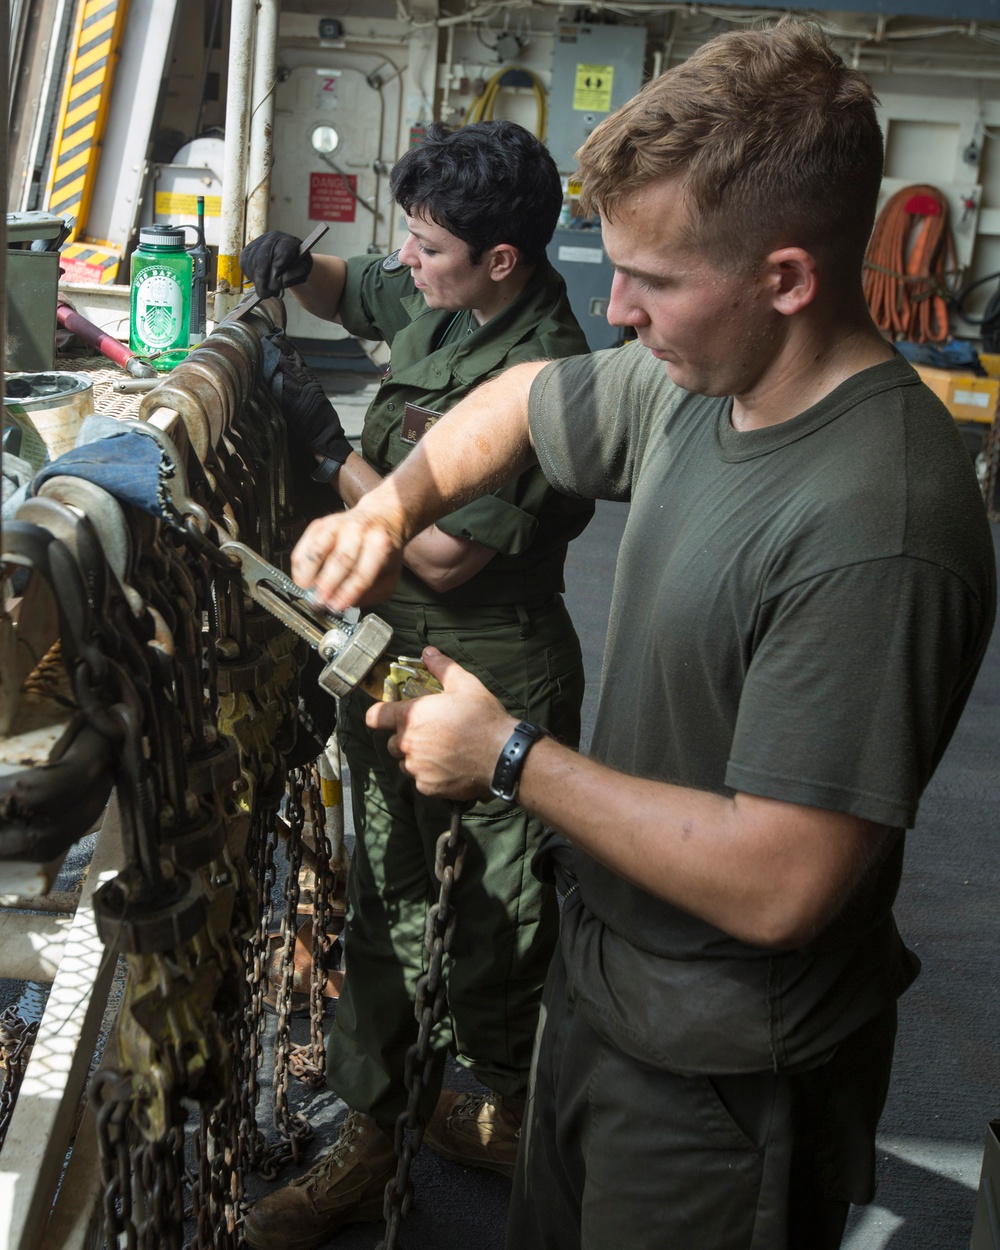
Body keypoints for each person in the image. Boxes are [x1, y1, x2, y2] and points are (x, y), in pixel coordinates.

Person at [289, 21, 997, 1250]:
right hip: (607, 992)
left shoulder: (877, 519)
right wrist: (394, 504)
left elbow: (783, 878)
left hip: (723, 1075)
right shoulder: (695, 383)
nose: (613, 309)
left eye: (652, 282)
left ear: (786, 278)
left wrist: (506, 756)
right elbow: (517, 397)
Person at [241, 120, 593, 1249]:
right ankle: (381, 1128)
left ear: (501, 259)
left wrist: (322, 441)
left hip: (488, 658)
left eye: (429, 242)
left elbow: (438, 553)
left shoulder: (545, 369)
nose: (408, 255)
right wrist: (298, 267)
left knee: (498, 925)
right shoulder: (444, 285)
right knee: (389, 887)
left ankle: (532, 1123)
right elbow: (363, 293)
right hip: (387, 645)